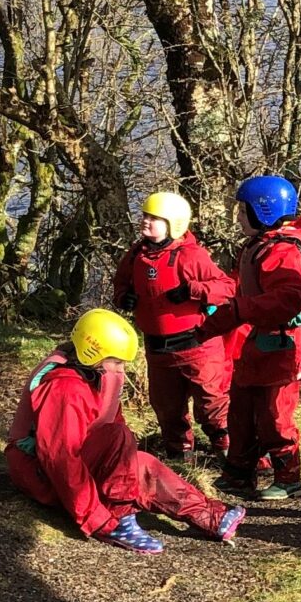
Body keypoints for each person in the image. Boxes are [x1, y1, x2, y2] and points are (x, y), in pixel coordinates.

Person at [5, 308, 243, 554]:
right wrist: (99, 521)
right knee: (119, 439)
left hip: (76, 464)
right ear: (92, 353)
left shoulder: (95, 373)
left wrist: (125, 466)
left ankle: (210, 516)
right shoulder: (65, 387)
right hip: (40, 474)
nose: (121, 371)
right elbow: (59, 458)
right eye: (116, 362)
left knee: (140, 463)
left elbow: (112, 430)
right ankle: (120, 519)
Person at [112, 189, 234, 460]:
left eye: (154, 218)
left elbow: (227, 287)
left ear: (173, 223)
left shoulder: (191, 255)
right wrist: (124, 298)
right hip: (158, 350)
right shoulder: (135, 256)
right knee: (167, 408)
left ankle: (228, 452)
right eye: (144, 215)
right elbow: (119, 285)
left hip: (197, 346)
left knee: (211, 403)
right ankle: (180, 455)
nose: (145, 221)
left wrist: (193, 290)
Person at [217, 173, 301, 499]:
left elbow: (288, 298)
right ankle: (240, 471)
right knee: (241, 409)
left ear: (264, 212)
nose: (238, 217)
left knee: (275, 415)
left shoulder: (281, 252)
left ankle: (288, 475)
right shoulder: (256, 246)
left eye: (243, 212)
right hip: (256, 342)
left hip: (282, 346)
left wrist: (244, 310)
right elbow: (243, 292)